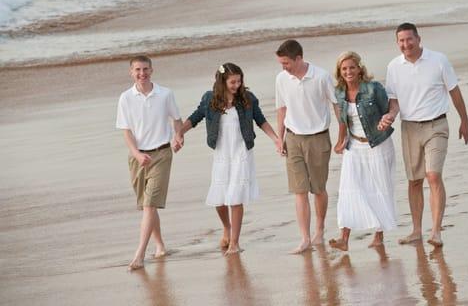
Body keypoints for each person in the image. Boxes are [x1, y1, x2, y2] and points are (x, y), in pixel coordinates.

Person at [379, 22, 468, 247]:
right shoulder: (393, 67)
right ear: (397, 43)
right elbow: (394, 101)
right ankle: (417, 230)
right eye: (401, 41)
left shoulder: (438, 60)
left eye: (409, 39)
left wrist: (464, 121)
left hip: (436, 125)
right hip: (409, 128)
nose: (405, 44)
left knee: (433, 175)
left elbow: (454, 92)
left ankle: (436, 231)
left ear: (419, 39)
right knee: (414, 181)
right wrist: (390, 115)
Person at [176, 63, 278, 255]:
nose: (237, 85)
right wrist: (180, 133)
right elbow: (195, 117)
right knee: (219, 199)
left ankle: (235, 242)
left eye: (239, 81)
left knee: (236, 197)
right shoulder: (210, 99)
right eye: (232, 82)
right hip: (222, 153)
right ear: (222, 81)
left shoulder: (248, 98)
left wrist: (276, 140)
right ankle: (227, 227)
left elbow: (261, 120)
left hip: (241, 152)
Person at [116, 55, 183, 271]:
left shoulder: (165, 94)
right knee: (147, 206)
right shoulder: (125, 98)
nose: (142, 73)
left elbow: (177, 120)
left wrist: (179, 136)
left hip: (161, 154)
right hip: (138, 158)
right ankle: (160, 246)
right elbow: (126, 131)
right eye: (137, 70)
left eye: (145, 69)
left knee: (149, 204)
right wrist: (136, 154)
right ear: (131, 72)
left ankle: (140, 254)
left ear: (152, 70)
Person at [275, 39, 340, 254]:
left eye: (286, 63)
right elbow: (281, 110)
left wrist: (342, 134)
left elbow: (336, 105)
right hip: (293, 139)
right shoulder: (282, 79)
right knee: (299, 190)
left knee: (318, 189)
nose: (284, 67)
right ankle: (304, 238)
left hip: (318, 138)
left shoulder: (321, 77)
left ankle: (319, 231)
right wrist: (279, 138)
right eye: (281, 63)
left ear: (299, 58)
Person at [328, 51, 396, 251]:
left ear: (359, 69)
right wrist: (340, 141)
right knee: (348, 191)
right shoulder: (339, 92)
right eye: (344, 69)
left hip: (378, 145)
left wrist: (387, 119)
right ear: (340, 72)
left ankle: (379, 235)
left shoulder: (373, 89)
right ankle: (344, 239)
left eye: (352, 67)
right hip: (354, 147)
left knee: (380, 189)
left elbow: (387, 112)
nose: (348, 72)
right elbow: (342, 120)